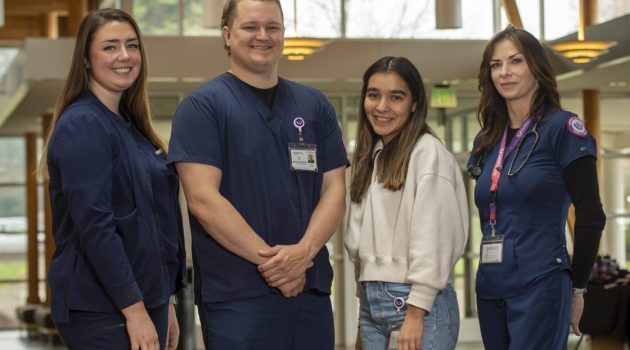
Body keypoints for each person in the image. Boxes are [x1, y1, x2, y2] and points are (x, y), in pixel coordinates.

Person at [167, 0, 348, 349]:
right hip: (239, 297)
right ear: (227, 34)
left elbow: (335, 191)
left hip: (309, 292)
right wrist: (276, 265)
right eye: (250, 27)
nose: (263, 36)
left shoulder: (315, 106)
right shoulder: (203, 107)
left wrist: (303, 254)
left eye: (273, 27)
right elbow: (203, 199)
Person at [40, 8, 186, 350]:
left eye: (132, 45)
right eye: (110, 47)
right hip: (102, 308)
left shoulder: (132, 129)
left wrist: (166, 301)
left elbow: (155, 224)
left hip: (144, 299)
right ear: (87, 60)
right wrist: (134, 311)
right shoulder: (84, 125)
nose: (124, 56)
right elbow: (95, 226)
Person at [467, 25, 606, 349]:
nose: (505, 72)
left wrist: (579, 287)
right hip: (490, 285)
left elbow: (591, 214)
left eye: (516, 61)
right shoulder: (486, 139)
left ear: (536, 67)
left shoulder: (564, 129)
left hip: (541, 282)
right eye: (496, 64)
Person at [345, 56, 469, 350]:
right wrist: (365, 312)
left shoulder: (428, 153)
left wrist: (416, 313)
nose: (381, 106)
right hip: (372, 302)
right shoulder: (373, 155)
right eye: (373, 95)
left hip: (416, 305)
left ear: (415, 104)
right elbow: (360, 242)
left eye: (396, 97)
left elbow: (434, 238)